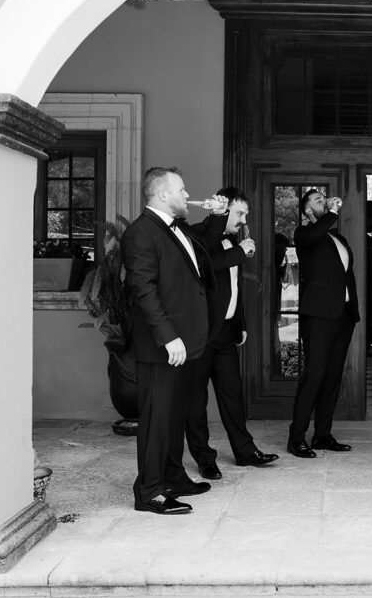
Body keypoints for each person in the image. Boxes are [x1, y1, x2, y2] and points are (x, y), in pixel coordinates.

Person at [121, 167, 220, 515]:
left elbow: (201, 257)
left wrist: (218, 214)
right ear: (163, 195)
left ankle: (173, 477)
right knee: (156, 419)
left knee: (175, 415)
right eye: (181, 190)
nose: (187, 195)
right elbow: (143, 290)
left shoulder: (177, 228)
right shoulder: (141, 233)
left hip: (185, 343)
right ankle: (149, 490)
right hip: (162, 346)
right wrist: (169, 337)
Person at [185, 187, 279, 480]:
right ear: (222, 210)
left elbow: (233, 288)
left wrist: (240, 324)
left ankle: (245, 451)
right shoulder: (195, 234)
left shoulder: (233, 241)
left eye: (245, 214)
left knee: (232, 396)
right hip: (200, 333)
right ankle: (204, 458)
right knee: (195, 401)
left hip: (226, 332)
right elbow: (203, 267)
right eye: (239, 213)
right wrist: (240, 253)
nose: (243, 219)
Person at [287, 189, 359, 458]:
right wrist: (332, 211)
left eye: (324, 198)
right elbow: (316, 234)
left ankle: (323, 435)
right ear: (307, 211)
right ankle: (296, 438)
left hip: (343, 315)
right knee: (314, 375)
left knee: (332, 378)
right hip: (318, 315)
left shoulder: (337, 238)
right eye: (318, 200)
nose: (324, 201)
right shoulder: (304, 234)